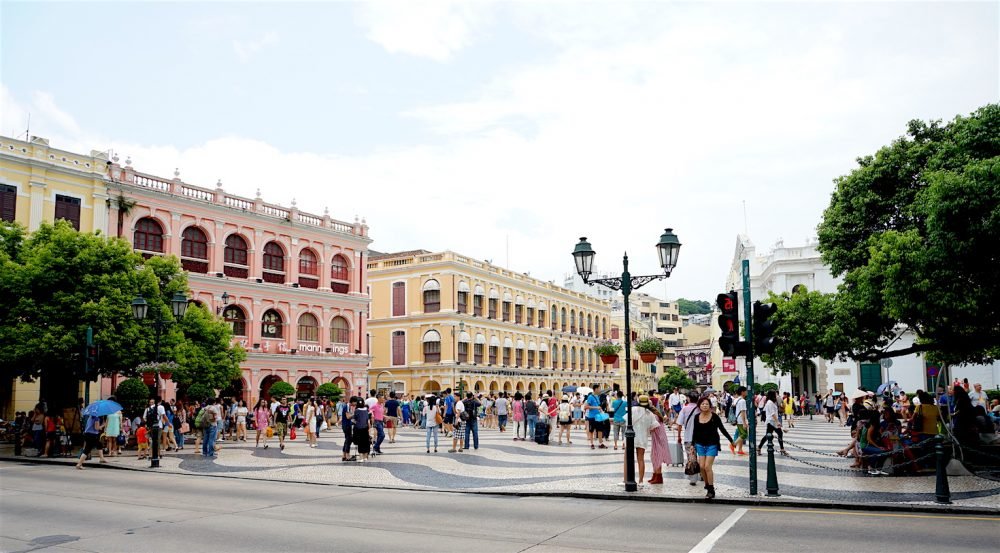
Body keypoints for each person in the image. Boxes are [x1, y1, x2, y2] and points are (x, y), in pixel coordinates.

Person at [692, 396, 735, 499]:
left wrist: (731, 440)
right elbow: (695, 432)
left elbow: (722, 429)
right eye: (702, 404)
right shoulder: (696, 417)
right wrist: (693, 445)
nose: (705, 405)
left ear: (710, 406)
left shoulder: (715, 416)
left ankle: (711, 489)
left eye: (707, 404)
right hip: (700, 444)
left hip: (712, 444)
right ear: (699, 406)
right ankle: (707, 484)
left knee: (707, 466)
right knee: (701, 467)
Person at [642, 396, 671, 484]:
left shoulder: (653, 416)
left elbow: (651, 428)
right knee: (654, 456)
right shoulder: (655, 414)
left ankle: (658, 477)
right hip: (658, 437)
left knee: (657, 457)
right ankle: (655, 475)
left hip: (659, 438)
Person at [628, 395, 655, 484]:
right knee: (641, 459)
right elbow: (653, 427)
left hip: (631, 437)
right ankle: (640, 481)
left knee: (629, 459)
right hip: (642, 437)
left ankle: (629, 479)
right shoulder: (649, 413)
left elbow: (626, 421)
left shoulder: (633, 409)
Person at [758, 390, 787, 455]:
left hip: (772, 421)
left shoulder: (771, 402)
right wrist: (778, 422)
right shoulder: (770, 403)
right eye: (775, 394)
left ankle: (759, 447)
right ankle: (782, 449)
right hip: (771, 421)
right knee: (774, 434)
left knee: (770, 435)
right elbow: (772, 413)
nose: (776, 396)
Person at [732, 386, 748, 455]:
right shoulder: (742, 401)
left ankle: (740, 450)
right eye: (745, 391)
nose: (746, 392)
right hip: (741, 420)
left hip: (737, 419)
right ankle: (733, 444)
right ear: (742, 392)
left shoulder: (737, 399)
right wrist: (744, 423)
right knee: (744, 435)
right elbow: (742, 412)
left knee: (740, 434)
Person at [340, 396, 355, 462]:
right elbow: (348, 416)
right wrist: (355, 414)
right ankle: (347, 455)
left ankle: (344, 455)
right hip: (346, 425)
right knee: (349, 440)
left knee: (347, 440)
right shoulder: (347, 406)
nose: (356, 404)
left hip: (346, 424)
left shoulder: (348, 406)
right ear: (353, 401)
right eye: (355, 402)